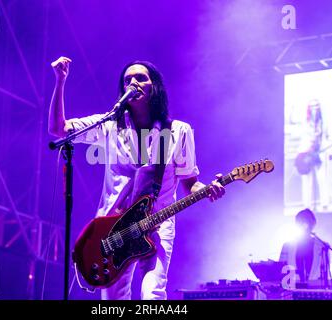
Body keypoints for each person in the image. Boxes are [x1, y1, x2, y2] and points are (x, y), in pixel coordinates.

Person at [48, 56, 225, 300]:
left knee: (152, 294)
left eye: (141, 78)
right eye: (127, 80)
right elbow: (59, 130)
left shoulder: (177, 132)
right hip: (112, 229)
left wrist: (206, 189)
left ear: (155, 86)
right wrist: (60, 81)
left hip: (157, 224)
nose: (133, 83)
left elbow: (190, 182)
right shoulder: (110, 125)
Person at [294, 99, 329, 211]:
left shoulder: (323, 122)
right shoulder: (305, 122)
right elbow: (303, 138)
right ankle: (307, 206)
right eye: (312, 106)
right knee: (307, 180)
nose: (315, 109)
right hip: (307, 152)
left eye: (317, 106)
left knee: (322, 178)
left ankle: (324, 204)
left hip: (320, 152)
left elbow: (326, 136)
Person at [279, 208, 330, 285]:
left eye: (307, 222)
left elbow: (325, 276)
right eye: (300, 222)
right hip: (292, 291)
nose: (304, 225)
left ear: (312, 225)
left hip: (315, 292)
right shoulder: (287, 246)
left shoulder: (322, 246)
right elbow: (281, 271)